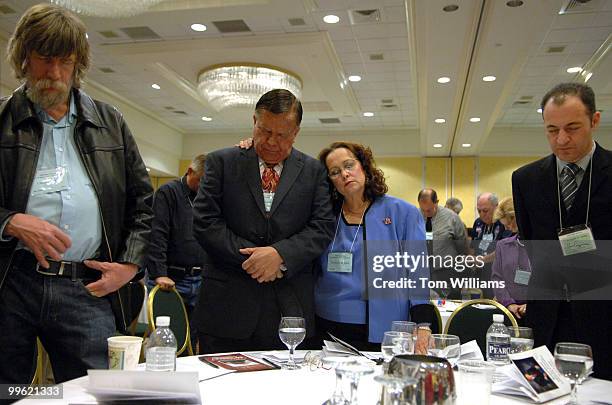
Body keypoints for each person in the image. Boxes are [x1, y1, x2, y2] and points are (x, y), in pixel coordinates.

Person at [0, 4, 153, 384]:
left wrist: (131, 266)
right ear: (23, 58)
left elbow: (144, 205)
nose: (53, 74)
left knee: (96, 390)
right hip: (10, 281)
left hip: (87, 284)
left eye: (64, 62)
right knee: (8, 392)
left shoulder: (110, 122)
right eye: (43, 60)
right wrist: (10, 221)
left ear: (78, 64)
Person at [192, 89, 335, 353]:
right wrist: (255, 260)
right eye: (265, 130)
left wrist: (280, 256)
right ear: (254, 122)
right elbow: (205, 222)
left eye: (281, 135)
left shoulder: (314, 172)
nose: (271, 141)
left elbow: (321, 227)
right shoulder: (222, 162)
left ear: (296, 132)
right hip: (225, 308)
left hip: (288, 311)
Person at [512, 82, 612, 379]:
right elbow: (531, 243)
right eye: (552, 130)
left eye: (572, 127)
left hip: (603, 316)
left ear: (595, 120)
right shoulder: (526, 179)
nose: (562, 139)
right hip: (547, 316)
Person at [315, 142, 429, 351]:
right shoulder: (325, 217)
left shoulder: (403, 213)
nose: (344, 174)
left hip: (386, 328)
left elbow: (418, 272)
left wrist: (423, 325)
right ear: (330, 181)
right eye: (335, 172)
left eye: (349, 165)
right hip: (329, 324)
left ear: (364, 166)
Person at [145, 154, 209, 350]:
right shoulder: (168, 193)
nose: (204, 187)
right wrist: (160, 273)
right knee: (169, 340)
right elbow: (157, 235)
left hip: (200, 279)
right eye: (201, 181)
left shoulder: (208, 198)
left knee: (197, 338)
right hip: (171, 279)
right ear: (190, 172)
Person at [418, 189, 468, 299]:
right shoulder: (414, 217)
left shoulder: (452, 218)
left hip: (446, 272)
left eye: (429, 210)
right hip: (423, 272)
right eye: (423, 210)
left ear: (436, 202)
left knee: (448, 307)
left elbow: (463, 247)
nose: (426, 213)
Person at [491, 197, 531, 321]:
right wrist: (509, 303)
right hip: (508, 312)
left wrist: (532, 305)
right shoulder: (503, 246)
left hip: (535, 310)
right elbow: (497, 279)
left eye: (508, 223)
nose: (507, 228)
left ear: (516, 217)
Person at [469, 192, 506, 298]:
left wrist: (483, 260)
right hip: (479, 272)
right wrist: (471, 260)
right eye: (479, 211)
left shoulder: (503, 223)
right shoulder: (478, 223)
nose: (481, 214)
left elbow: (502, 250)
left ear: (496, 207)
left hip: (496, 272)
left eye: (485, 211)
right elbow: (472, 246)